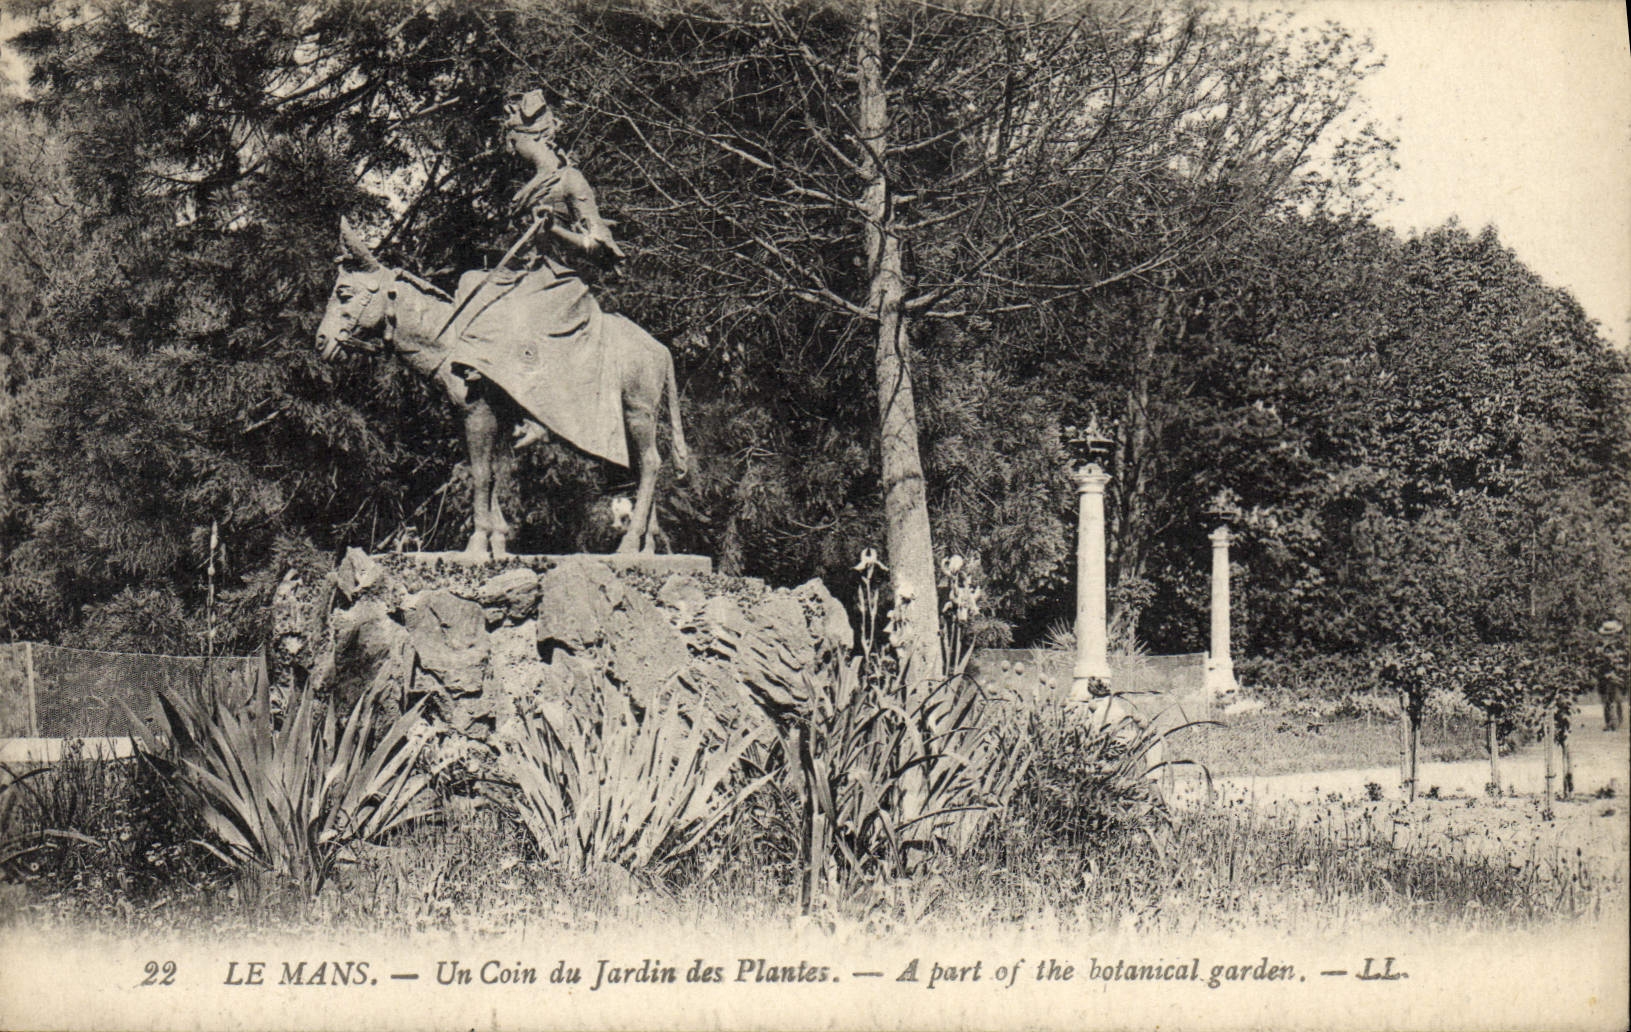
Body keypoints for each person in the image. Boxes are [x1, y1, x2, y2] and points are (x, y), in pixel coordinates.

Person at [499, 89, 625, 448]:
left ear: (532, 137)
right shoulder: (528, 187)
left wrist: (552, 228)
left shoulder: (570, 180)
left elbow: (598, 247)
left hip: (560, 281)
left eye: (513, 140)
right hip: (526, 275)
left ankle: (540, 417)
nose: (510, 150)